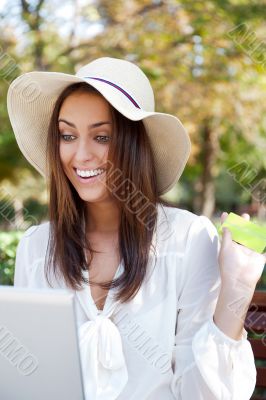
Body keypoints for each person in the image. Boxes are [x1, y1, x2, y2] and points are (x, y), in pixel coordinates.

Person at [7, 57, 265, 400]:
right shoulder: (37, 247)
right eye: (67, 135)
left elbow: (202, 394)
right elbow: (29, 381)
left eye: (101, 137)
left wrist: (237, 290)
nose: (80, 154)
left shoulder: (186, 240)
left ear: (134, 145)